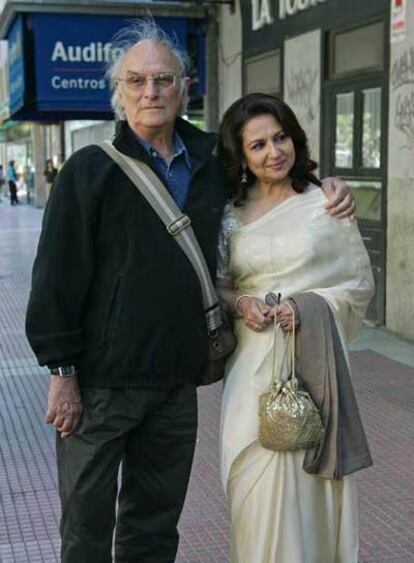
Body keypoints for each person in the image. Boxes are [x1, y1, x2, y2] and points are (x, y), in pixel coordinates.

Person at [25, 21, 354, 563]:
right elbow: (56, 276)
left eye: (162, 80)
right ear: (119, 91)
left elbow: (276, 181)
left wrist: (328, 189)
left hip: (176, 382)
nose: (149, 92)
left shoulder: (212, 162)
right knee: (84, 532)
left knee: (153, 528)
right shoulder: (89, 170)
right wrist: (61, 374)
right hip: (99, 388)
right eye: (136, 81)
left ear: (184, 87)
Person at [216, 93, 375, 563]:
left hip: (314, 367)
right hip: (251, 370)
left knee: (308, 491)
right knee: (254, 488)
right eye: (259, 145)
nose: (274, 152)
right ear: (241, 157)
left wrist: (306, 307)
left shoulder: (325, 203)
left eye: (280, 137)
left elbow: (358, 285)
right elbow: (219, 286)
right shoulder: (228, 215)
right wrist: (243, 302)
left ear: (295, 138)